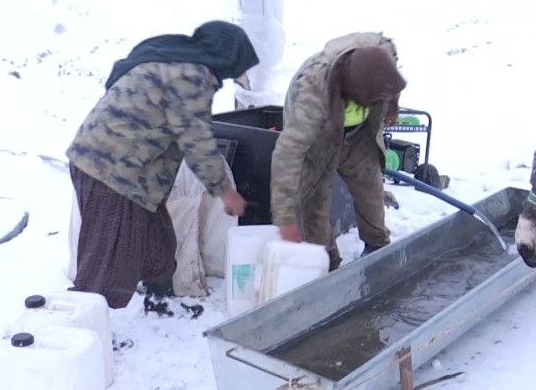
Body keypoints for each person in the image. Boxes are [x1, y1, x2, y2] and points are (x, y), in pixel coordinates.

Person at [67, 21, 257, 308]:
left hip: (123, 171)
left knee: (160, 244)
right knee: (104, 263)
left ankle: (160, 302)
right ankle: (82, 331)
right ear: (226, 55)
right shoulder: (192, 75)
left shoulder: (170, 59)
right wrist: (226, 192)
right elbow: (198, 144)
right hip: (111, 173)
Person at [270, 32, 406, 270]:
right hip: (319, 139)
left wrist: (392, 108)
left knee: (371, 190)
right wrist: (284, 218)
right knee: (314, 207)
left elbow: (392, 83)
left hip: (359, 135)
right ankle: (329, 265)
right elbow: (286, 155)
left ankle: (377, 249)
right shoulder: (312, 94)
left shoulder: (381, 56)